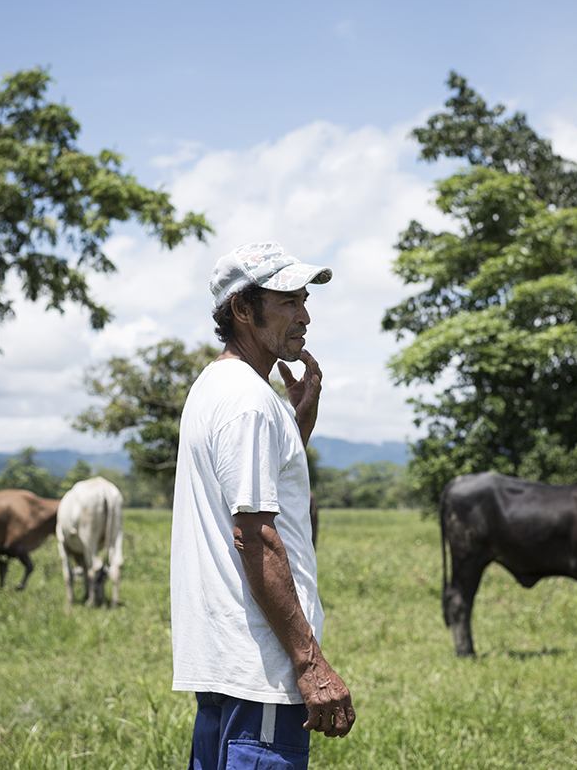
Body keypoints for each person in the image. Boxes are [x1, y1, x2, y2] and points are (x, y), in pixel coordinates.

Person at [171, 241, 355, 770]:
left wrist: (296, 425)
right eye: (288, 302)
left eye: (304, 300)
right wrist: (310, 662)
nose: (305, 315)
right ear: (242, 310)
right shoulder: (250, 402)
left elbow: (250, 492)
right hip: (261, 669)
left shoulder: (218, 387)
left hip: (228, 663)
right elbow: (255, 535)